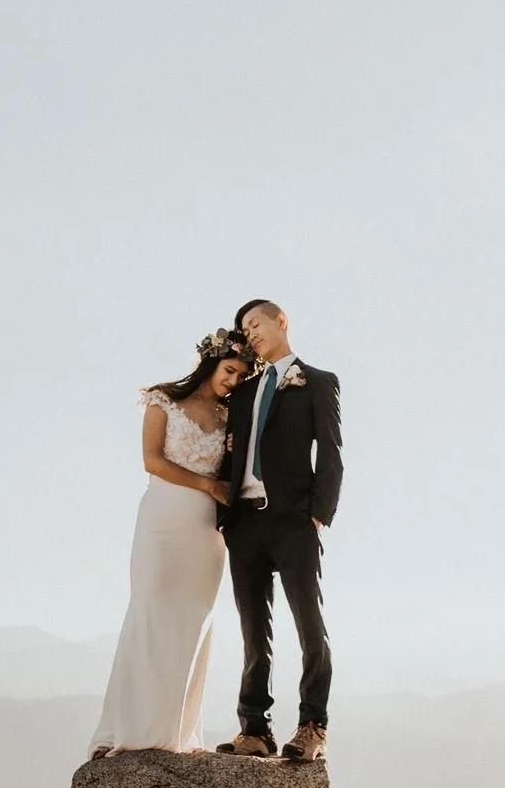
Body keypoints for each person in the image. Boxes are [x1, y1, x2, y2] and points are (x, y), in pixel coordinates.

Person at [87, 327, 258, 758]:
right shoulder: (164, 399)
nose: (232, 382)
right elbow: (152, 461)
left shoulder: (230, 418)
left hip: (206, 533)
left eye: (240, 377)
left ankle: (176, 734)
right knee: (150, 610)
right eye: (229, 371)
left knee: (193, 622)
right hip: (163, 519)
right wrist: (209, 484)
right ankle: (127, 730)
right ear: (210, 363)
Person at [213, 298, 343, 762]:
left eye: (255, 324)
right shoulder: (242, 392)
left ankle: (312, 726)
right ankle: (255, 730)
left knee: (309, 623)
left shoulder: (317, 383)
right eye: (244, 330)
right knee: (253, 629)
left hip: (294, 522)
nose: (250, 333)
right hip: (244, 522)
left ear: (280, 320)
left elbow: (330, 453)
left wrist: (317, 514)